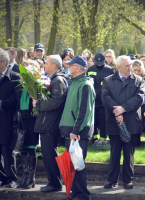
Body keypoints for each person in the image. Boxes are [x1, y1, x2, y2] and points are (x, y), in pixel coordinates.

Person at [102, 55, 145, 190]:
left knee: (128, 152)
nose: (130, 68)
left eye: (130, 65)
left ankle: (128, 180)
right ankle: (112, 180)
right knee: (114, 152)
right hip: (114, 121)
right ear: (118, 67)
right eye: (127, 66)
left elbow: (139, 98)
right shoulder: (108, 80)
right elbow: (105, 98)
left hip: (131, 122)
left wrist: (123, 109)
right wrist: (117, 112)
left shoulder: (138, 80)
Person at [59, 56, 94, 200]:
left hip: (78, 131)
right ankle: (75, 191)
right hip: (71, 129)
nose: (68, 67)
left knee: (78, 164)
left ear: (77, 68)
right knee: (72, 164)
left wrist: (75, 130)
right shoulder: (74, 82)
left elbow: (84, 111)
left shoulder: (85, 84)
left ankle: (84, 194)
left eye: (70, 65)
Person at [32, 55, 68, 192]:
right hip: (47, 122)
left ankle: (55, 183)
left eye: (46, 63)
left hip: (50, 123)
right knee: (48, 154)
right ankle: (54, 181)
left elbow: (56, 102)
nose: (43, 65)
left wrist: (38, 104)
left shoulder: (58, 80)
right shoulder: (52, 78)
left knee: (50, 155)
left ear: (53, 66)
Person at [0, 49, 21, 188]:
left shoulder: (15, 77)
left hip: (8, 119)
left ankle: (11, 178)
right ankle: (0, 177)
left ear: (4, 63)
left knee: (8, 150)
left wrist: (5, 103)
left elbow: (17, 98)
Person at [16, 63, 40, 189]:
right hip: (23, 119)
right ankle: (25, 177)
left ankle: (31, 178)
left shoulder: (37, 85)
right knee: (23, 148)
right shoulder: (22, 85)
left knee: (31, 148)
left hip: (32, 120)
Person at [87, 53, 114, 141]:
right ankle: (93, 138)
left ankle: (103, 138)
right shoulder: (90, 69)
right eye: (97, 62)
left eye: (100, 62)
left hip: (104, 100)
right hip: (93, 99)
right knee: (93, 120)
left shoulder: (109, 70)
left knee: (103, 120)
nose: (99, 64)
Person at [132, 60, 145, 147]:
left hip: (144, 105)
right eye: (135, 70)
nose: (137, 72)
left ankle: (143, 143)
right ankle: (134, 143)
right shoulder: (129, 79)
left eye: (139, 70)